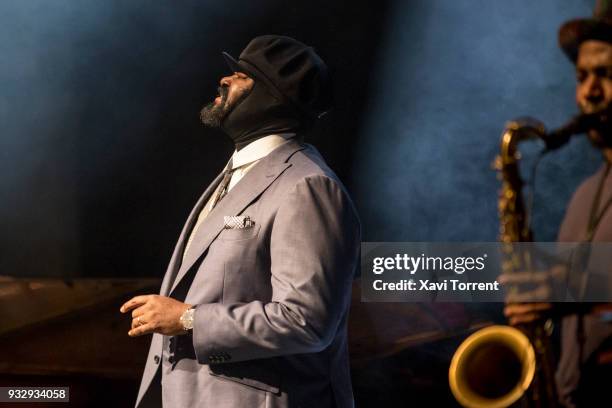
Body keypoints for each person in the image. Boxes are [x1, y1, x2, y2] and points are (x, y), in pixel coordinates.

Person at [120, 35, 361, 408]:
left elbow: (306, 320)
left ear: (273, 97)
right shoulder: (239, 174)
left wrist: (189, 319)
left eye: (243, 76)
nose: (225, 80)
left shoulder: (307, 186)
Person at [504, 2, 612, 406]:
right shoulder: (585, 194)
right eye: (582, 77)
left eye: (606, 75)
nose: (589, 92)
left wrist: (567, 284)